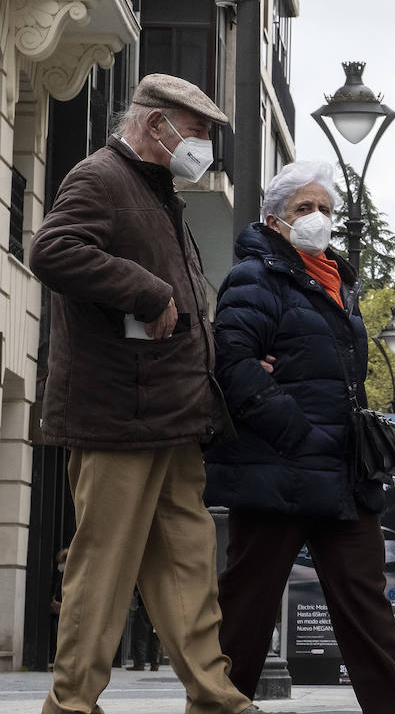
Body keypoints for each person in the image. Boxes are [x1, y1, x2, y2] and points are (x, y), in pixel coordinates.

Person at [29, 74, 271, 714]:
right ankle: (71, 703)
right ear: (155, 124)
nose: (203, 147)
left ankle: (215, 696)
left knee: (188, 566)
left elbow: (184, 306)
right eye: (197, 132)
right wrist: (146, 289)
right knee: (102, 568)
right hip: (116, 416)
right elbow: (52, 251)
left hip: (169, 413)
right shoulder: (100, 177)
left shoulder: (155, 189)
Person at [206, 161, 395, 714]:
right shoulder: (254, 278)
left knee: (364, 595)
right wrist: (299, 432)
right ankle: (217, 704)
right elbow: (232, 365)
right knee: (248, 603)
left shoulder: (337, 281)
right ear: (274, 220)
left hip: (340, 471)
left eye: (325, 208)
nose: (318, 218)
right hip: (276, 467)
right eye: (304, 209)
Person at [127, 588, 161, 671]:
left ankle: (139, 664)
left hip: (144, 605)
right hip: (159, 608)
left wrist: (135, 591)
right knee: (155, 636)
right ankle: (154, 664)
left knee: (139, 635)